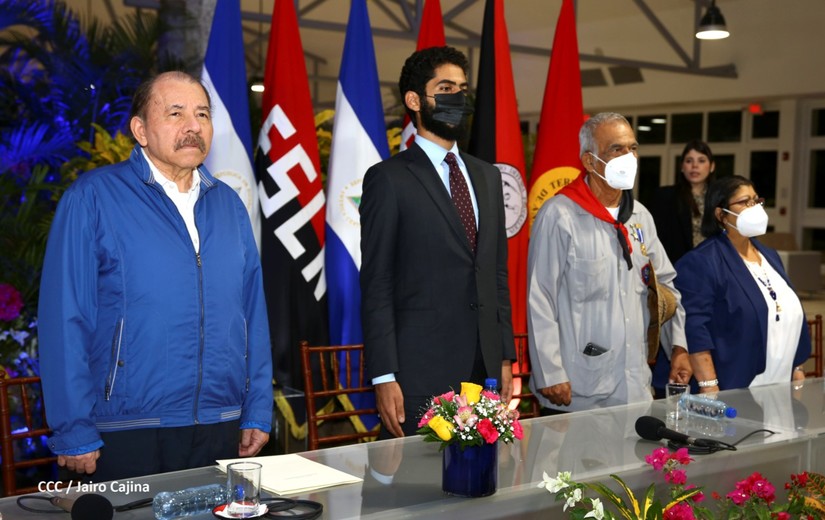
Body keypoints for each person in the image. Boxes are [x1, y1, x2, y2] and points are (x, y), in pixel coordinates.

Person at [38, 71, 273, 480]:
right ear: (140, 130)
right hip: (126, 428)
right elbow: (64, 319)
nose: (193, 126)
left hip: (220, 422)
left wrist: (256, 408)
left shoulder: (229, 206)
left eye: (202, 114)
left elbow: (252, 314)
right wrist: (73, 428)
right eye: (176, 113)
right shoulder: (92, 198)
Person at [360, 46, 516, 438]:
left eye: (462, 89)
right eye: (445, 88)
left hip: (483, 371)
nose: (457, 98)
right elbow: (377, 282)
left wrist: (505, 357)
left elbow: (496, 274)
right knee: (418, 476)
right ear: (415, 101)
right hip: (417, 373)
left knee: (481, 475)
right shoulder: (388, 179)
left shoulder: (488, 176)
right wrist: (384, 375)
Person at [527, 112, 691, 414]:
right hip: (577, 388)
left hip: (634, 384)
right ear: (590, 161)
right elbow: (540, 297)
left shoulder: (639, 216)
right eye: (617, 149)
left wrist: (678, 347)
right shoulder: (560, 215)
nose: (629, 157)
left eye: (633, 148)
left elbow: (665, 288)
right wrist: (550, 372)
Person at [674, 175, 811, 392]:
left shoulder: (770, 256)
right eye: (744, 202)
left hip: (781, 382)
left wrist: (797, 366)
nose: (754, 207)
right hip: (735, 387)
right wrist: (709, 386)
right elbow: (694, 327)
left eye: (756, 200)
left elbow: (788, 311)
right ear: (721, 214)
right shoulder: (702, 261)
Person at [649, 140, 716, 397]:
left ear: (711, 166)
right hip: (677, 275)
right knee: (677, 330)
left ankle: (706, 376)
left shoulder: (718, 198)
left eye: (701, 161)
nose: (694, 166)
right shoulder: (666, 197)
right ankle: (670, 382)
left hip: (710, 276)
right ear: (681, 166)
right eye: (689, 161)